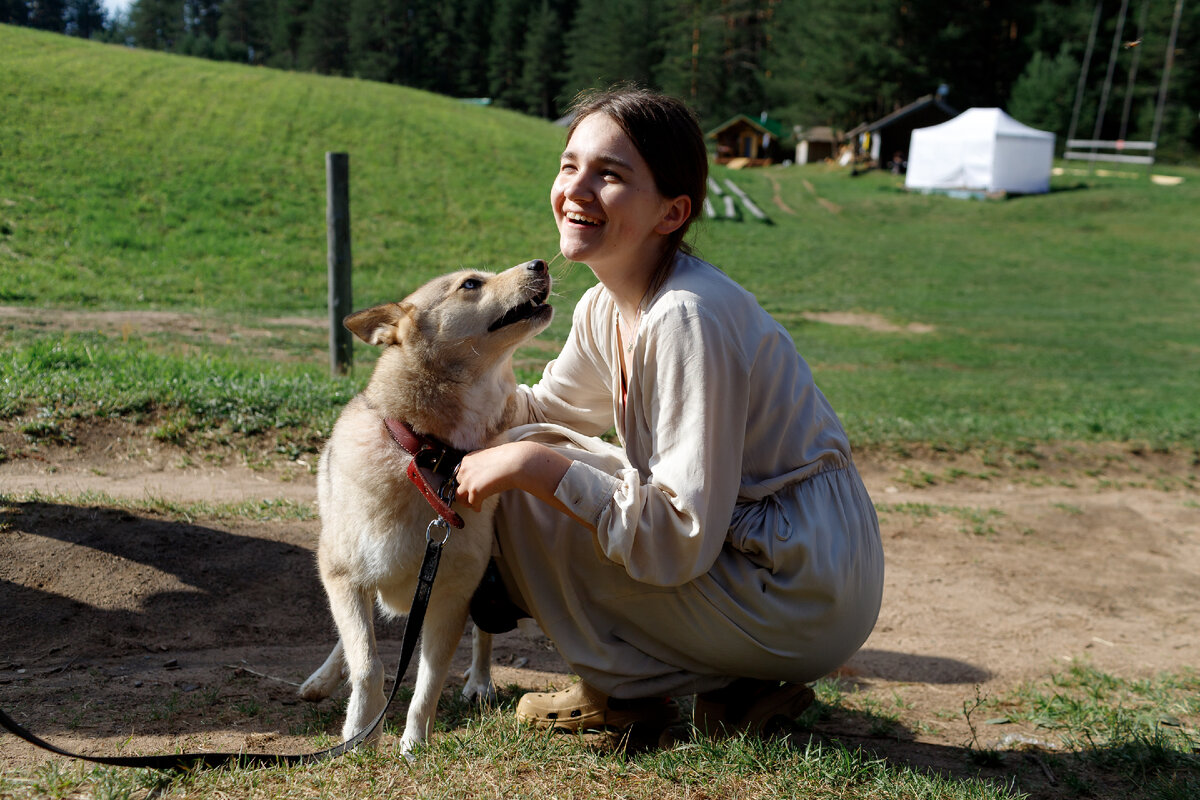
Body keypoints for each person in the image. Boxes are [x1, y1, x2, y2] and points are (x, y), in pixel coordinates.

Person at [454, 88, 884, 736]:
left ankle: (623, 690)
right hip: (775, 562)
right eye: (570, 165)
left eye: (611, 175)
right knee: (527, 445)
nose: (576, 189)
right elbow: (540, 408)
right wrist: (430, 407)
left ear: (671, 211)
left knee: (525, 482)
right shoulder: (609, 305)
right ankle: (733, 691)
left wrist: (528, 465)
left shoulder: (686, 315)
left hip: (798, 589)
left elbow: (679, 536)